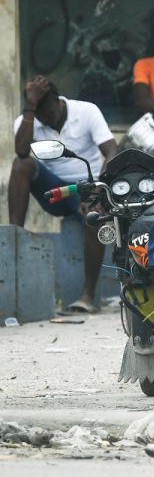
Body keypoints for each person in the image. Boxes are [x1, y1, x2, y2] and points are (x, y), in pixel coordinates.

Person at [9, 76, 117, 314]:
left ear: (58, 101)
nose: (45, 120)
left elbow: (111, 153)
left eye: (48, 112)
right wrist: (30, 108)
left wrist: (97, 191)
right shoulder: (28, 119)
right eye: (40, 116)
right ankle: (13, 237)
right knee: (21, 165)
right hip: (55, 192)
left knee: (95, 217)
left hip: (88, 187)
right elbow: (21, 151)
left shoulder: (87, 111)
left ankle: (87, 296)